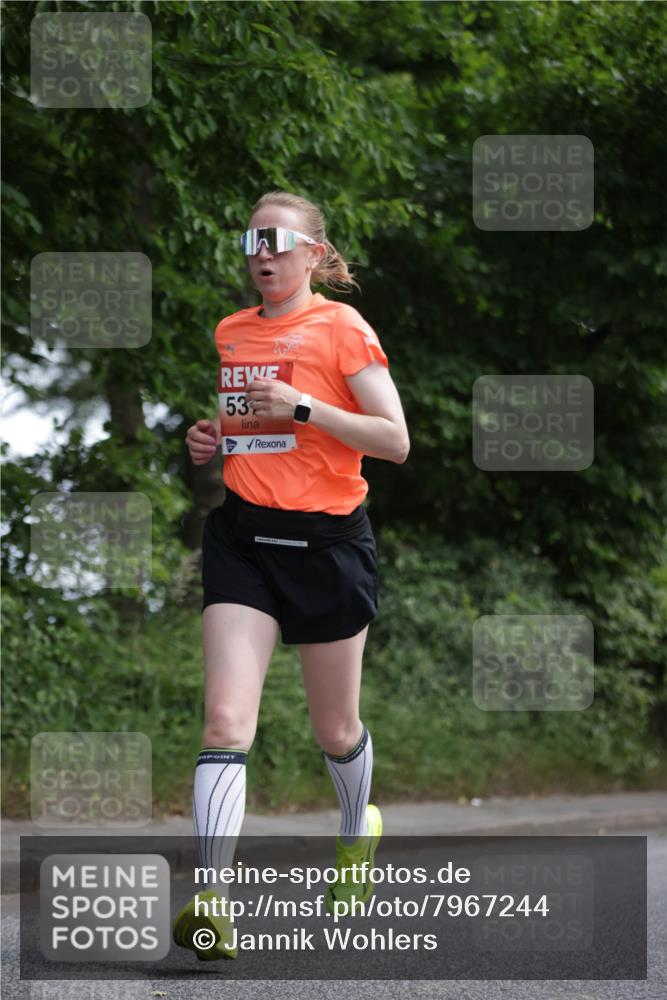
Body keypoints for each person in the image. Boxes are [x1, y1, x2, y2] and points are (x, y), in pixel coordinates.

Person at [173, 190, 409, 961]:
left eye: (276, 242)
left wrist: (305, 406)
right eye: (251, 242)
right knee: (224, 724)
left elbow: (393, 440)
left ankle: (355, 828)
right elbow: (251, 433)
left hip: (329, 546)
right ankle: (211, 902)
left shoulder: (344, 329)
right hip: (242, 540)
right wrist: (215, 441)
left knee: (334, 730)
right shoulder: (231, 331)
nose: (261, 255)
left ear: (312, 253)